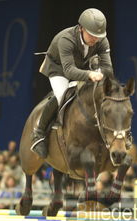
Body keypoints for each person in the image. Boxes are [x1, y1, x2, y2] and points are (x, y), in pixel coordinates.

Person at [31, 8, 113, 158]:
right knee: (62, 94)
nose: (96, 39)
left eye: (98, 36)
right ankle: (39, 133)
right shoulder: (66, 39)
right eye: (92, 35)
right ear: (81, 28)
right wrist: (90, 74)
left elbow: (108, 69)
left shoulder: (102, 40)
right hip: (59, 68)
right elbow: (69, 71)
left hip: (82, 66)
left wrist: (99, 72)